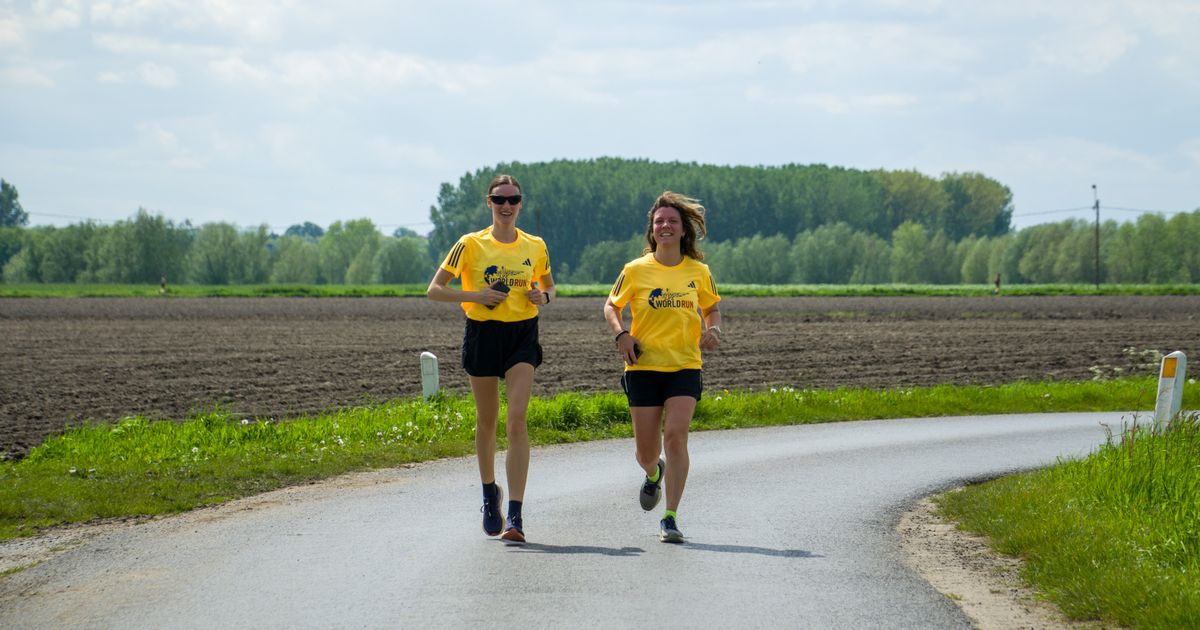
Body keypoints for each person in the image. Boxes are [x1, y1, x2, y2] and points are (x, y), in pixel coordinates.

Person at [427, 174, 555, 544]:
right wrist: (477, 296)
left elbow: (548, 286)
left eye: (513, 199)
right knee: (488, 422)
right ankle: (489, 494)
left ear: (520, 203)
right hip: (483, 333)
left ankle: (515, 515)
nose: (507, 206)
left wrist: (543, 298)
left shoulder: (535, 245)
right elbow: (434, 290)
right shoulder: (470, 244)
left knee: (516, 421)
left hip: (521, 335)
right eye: (499, 200)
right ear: (489, 203)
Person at [602, 191, 722, 543]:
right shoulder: (635, 270)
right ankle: (654, 472)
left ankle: (670, 516)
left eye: (672, 221)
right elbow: (611, 306)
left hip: (685, 365)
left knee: (677, 436)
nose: (665, 226)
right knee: (645, 452)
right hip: (643, 367)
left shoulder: (698, 272)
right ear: (652, 231)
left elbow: (712, 308)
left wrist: (713, 328)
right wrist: (621, 334)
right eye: (659, 222)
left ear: (684, 230)